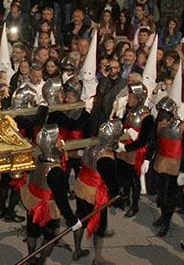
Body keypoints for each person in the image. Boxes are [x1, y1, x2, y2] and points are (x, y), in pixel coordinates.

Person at [20, 123, 84, 264]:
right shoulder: (55, 171)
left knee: (32, 231)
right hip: (47, 206)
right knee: (50, 236)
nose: (61, 142)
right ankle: (40, 261)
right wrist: (72, 220)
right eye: (58, 140)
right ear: (51, 145)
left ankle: (31, 258)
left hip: (33, 201)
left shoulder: (38, 158)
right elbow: (61, 200)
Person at [73, 120, 122, 264]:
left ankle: (77, 250)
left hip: (81, 186)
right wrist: (117, 195)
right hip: (95, 193)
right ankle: (98, 258)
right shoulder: (106, 158)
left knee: (80, 219)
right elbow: (112, 182)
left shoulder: (91, 147)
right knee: (99, 225)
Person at [149, 96, 184, 237]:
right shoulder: (160, 124)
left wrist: (183, 171)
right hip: (161, 162)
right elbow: (155, 142)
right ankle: (163, 215)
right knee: (161, 193)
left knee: (169, 196)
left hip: (174, 165)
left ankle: (167, 221)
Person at [117, 83, 155, 217]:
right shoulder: (130, 111)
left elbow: (144, 140)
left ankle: (135, 205)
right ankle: (124, 199)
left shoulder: (147, 117)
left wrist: (127, 147)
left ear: (139, 98)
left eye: (132, 96)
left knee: (135, 180)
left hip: (134, 151)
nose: (129, 99)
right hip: (123, 149)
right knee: (124, 177)